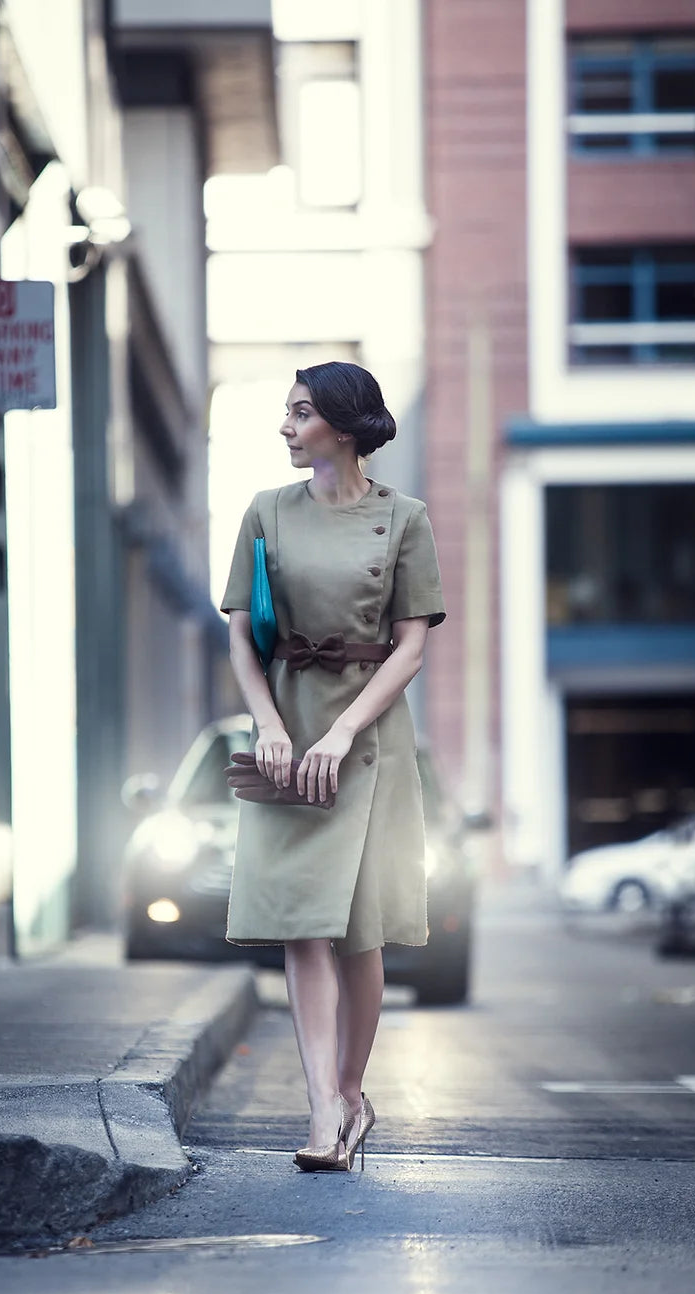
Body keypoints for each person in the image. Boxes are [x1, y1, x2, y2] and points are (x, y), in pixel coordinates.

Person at [220, 361, 446, 1172]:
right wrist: (270, 726)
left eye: (300, 413)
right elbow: (244, 638)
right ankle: (321, 1110)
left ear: (343, 431)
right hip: (289, 726)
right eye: (286, 412)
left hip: (368, 738)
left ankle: (351, 1090)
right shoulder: (263, 513)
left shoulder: (406, 518)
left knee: (360, 933)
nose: (285, 426)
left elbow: (413, 643)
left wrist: (344, 731)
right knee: (301, 923)